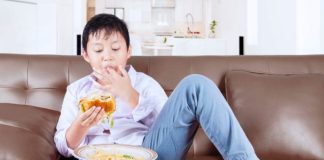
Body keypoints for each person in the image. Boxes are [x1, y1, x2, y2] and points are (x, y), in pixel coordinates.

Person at [54, 13, 258, 160]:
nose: (107, 56)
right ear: (86, 56)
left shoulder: (145, 84)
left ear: (128, 52)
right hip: (94, 155)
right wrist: (80, 127)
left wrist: (131, 97)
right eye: (98, 50)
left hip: (148, 152)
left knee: (196, 84)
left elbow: (170, 127)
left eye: (115, 48)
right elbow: (63, 146)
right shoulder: (76, 91)